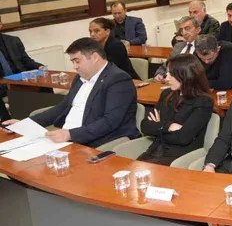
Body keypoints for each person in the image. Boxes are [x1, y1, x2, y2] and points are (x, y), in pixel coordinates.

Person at [3, 38, 139, 148]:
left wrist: (70, 135)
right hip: (68, 137)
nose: (74, 67)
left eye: (77, 61)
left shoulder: (118, 79)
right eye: (73, 62)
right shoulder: (80, 78)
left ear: (95, 57)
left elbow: (110, 121)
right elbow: (62, 108)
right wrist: (25, 123)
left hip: (98, 140)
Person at [137, 54, 213, 165]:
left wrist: (158, 127)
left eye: (171, 74)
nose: (166, 78)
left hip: (179, 157)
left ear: (185, 75)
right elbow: (144, 126)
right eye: (167, 73)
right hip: (154, 151)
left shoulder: (203, 101)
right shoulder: (166, 94)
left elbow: (183, 138)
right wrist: (169, 126)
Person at [0, 17, 45, 120]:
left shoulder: (13, 41)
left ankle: (44, 115)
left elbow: (26, 60)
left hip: (20, 79)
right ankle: (7, 122)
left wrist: (40, 67)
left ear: (0, 24)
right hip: (2, 84)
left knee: (44, 81)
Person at [155, 16, 201, 82]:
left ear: (198, 30)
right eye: (181, 30)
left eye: (187, 28)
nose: (184, 33)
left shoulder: (202, 47)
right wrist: (159, 74)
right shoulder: (178, 46)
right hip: (168, 82)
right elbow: (165, 66)